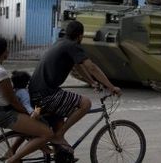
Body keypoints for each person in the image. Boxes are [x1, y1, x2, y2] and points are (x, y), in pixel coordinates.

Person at [29, 20, 121, 154]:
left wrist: (91, 82)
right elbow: (92, 67)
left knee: (59, 121)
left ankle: (60, 152)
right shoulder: (72, 45)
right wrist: (112, 87)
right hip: (46, 95)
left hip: (36, 92)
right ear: (80, 36)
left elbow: (78, 65)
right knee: (85, 103)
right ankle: (59, 136)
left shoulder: (60, 42)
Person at [0, 38, 53, 163]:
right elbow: (13, 100)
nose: (8, 51)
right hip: (3, 113)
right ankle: (13, 159)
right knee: (47, 133)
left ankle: (12, 151)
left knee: (31, 126)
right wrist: (28, 112)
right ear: (3, 52)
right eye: (7, 49)